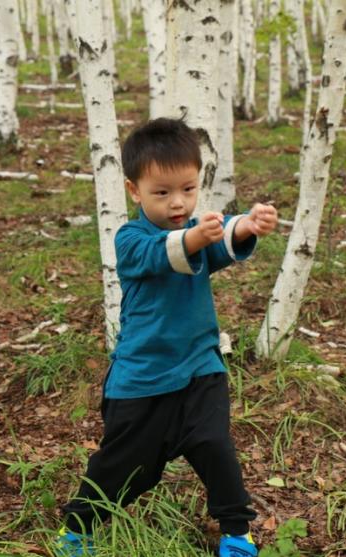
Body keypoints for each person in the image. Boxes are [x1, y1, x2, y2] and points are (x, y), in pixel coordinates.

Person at [56, 118, 278, 557]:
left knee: (216, 447)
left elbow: (217, 240)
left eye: (188, 189)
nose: (178, 202)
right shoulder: (130, 239)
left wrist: (246, 226)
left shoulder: (197, 233)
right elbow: (163, 253)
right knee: (127, 470)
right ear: (134, 190)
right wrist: (196, 234)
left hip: (200, 369)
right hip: (142, 382)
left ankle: (237, 534)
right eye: (162, 193)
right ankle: (78, 528)